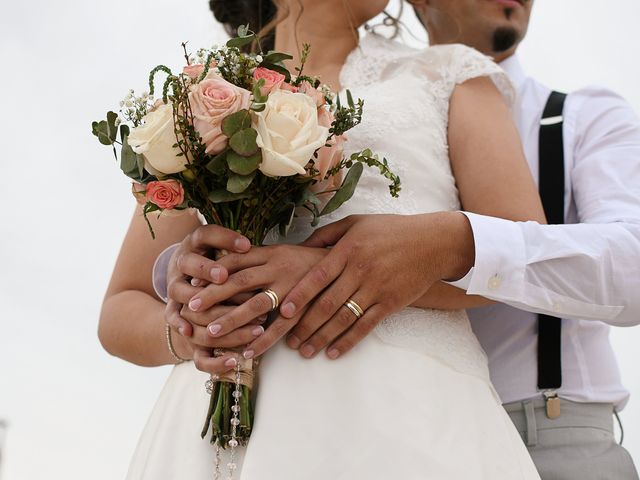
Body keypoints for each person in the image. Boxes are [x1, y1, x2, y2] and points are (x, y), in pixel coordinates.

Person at [165, 0, 640, 478]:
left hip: (518, 425)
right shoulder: (223, 96)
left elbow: (628, 262)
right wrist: (199, 303)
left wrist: (445, 242)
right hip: (272, 409)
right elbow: (150, 282)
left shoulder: (556, 108)